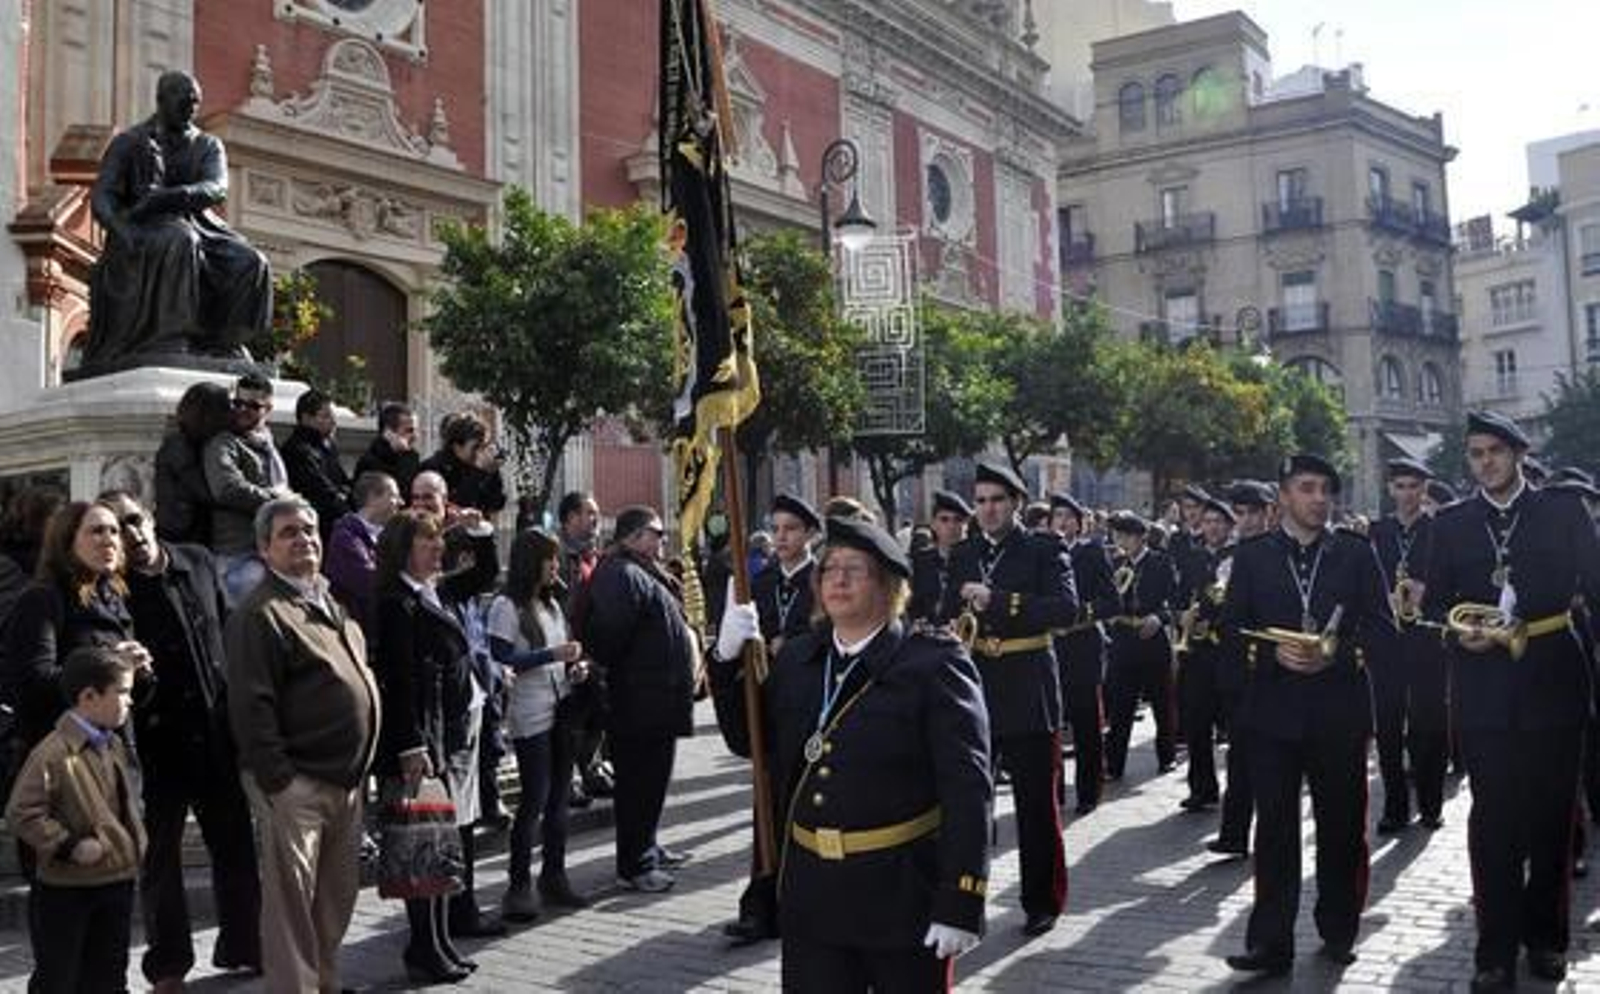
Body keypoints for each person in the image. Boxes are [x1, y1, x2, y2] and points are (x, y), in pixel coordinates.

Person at [710, 515, 992, 991]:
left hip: (900, 896)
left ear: (888, 586)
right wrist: (723, 659)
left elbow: (967, 788)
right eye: (828, 569)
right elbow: (750, 742)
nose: (837, 579)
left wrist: (961, 900)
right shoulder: (800, 658)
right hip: (813, 896)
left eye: (854, 569)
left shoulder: (933, 664)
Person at [1423, 411, 1600, 991]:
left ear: (1519, 453)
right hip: (1484, 688)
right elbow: (1433, 611)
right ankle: (1493, 950)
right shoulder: (1449, 524)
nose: (1485, 463)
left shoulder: (1563, 510)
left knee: (1552, 817)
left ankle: (1545, 939)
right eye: (1475, 454)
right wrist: (1459, 635)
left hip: (1554, 674)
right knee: (1492, 821)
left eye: (1495, 451)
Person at [1222, 454, 1391, 977]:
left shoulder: (1356, 554)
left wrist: (1333, 654)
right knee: (1274, 829)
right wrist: (1271, 654)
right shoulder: (1252, 556)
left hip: (1337, 711)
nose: (1319, 498)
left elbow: (1383, 630)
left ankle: (1339, 929)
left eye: (1326, 490)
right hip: (1272, 714)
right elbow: (1232, 632)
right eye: (1307, 488)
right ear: (1284, 496)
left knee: (1341, 826)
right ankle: (1269, 943)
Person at [100, 490, 262, 989]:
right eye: (118, 529)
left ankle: (245, 944)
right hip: (158, 743)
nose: (130, 534)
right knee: (161, 860)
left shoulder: (198, 559)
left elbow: (228, 630)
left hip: (215, 732)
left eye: (133, 520)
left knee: (235, 846)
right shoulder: (114, 591)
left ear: (149, 515)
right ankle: (168, 965)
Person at [226, 496, 380, 994]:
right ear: (264, 548)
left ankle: (325, 982)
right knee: (292, 907)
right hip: (298, 784)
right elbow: (252, 707)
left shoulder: (328, 602)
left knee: (335, 898)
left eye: (310, 530)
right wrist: (281, 782)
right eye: (289, 532)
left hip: (346, 780)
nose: (304, 539)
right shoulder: (260, 613)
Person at [944, 462, 1076, 936]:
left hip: (1028, 687)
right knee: (968, 805)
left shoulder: (1043, 549)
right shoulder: (963, 552)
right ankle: (965, 901)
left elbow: (1064, 610)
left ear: (1016, 503)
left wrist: (998, 600)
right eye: (980, 501)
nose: (987, 509)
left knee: (1036, 805)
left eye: (997, 500)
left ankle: (1041, 900)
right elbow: (945, 611)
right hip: (973, 688)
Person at [84, 70, 270, 368]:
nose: (191, 110)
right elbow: (102, 196)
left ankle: (225, 341)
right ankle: (169, 337)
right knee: (180, 240)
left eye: (195, 103)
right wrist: (121, 230)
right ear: (161, 100)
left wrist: (172, 196)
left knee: (251, 261)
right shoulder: (130, 142)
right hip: (143, 227)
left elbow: (216, 187)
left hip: (202, 224)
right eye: (184, 103)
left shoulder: (207, 145)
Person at [372, 510, 487, 982]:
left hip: (442, 734)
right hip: (416, 744)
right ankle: (422, 945)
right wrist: (411, 745)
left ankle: (439, 941)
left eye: (439, 541)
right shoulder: (397, 601)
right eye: (428, 542)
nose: (438, 550)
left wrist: (471, 530)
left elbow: (481, 570)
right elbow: (400, 679)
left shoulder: (429, 591)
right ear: (404, 548)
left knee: (439, 846)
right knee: (420, 851)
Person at [6, 646, 146, 993]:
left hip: (116, 878)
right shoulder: (52, 753)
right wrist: (68, 845)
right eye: (123, 692)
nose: (130, 701)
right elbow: (21, 813)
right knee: (59, 975)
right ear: (88, 696)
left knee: (109, 973)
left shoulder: (113, 745)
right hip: (67, 890)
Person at [723, 493, 823, 945]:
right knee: (766, 803)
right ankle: (760, 902)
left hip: (812, 709)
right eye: (777, 529)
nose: (782, 538)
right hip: (768, 708)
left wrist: (792, 643)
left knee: (802, 803)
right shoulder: (757, 584)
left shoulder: (823, 579)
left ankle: (801, 900)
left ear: (810, 535)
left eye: (792, 530)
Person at [583, 506, 698, 892]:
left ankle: (647, 846)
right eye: (656, 533)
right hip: (637, 701)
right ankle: (635, 865)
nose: (663, 539)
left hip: (656, 700)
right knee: (638, 784)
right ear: (632, 536)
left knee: (653, 781)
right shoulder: (619, 574)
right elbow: (611, 635)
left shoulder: (641, 571)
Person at [489, 529, 589, 922]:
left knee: (559, 798)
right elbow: (500, 658)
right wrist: (551, 655)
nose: (555, 565)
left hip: (560, 705)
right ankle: (518, 885)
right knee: (534, 798)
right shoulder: (506, 606)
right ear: (532, 561)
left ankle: (555, 875)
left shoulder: (551, 606)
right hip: (529, 714)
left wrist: (574, 668)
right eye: (549, 558)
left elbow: (561, 659)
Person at [3, 502, 153, 760]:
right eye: (96, 531)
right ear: (67, 542)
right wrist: (111, 665)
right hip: (68, 761)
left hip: (117, 755)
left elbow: (125, 700)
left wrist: (141, 674)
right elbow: (32, 684)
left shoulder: (115, 600)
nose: (109, 541)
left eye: (114, 531)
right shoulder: (42, 599)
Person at [1368, 458, 1449, 834]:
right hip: (1386, 641)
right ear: (1390, 490)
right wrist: (1381, 598)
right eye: (1399, 486)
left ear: (1424, 490)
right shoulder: (1377, 531)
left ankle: (1431, 805)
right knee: (1386, 728)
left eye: (1413, 487)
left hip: (1427, 639)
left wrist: (1426, 596)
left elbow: (1453, 586)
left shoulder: (1439, 530)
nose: (1406, 494)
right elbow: (1364, 583)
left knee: (1428, 725)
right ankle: (1395, 808)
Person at [1209, 480, 1274, 858]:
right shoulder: (1230, 556)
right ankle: (1233, 833)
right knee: (1239, 755)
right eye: (1241, 513)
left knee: (1271, 762)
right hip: (1237, 669)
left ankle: (1267, 835)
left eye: (1253, 512)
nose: (1246, 520)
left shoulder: (1277, 551)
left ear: (1269, 512)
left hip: (1271, 670)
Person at [1049, 492, 1118, 815]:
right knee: (1051, 726)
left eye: (1068, 516)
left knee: (1086, 723)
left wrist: (1077, 616)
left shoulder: (1092, 553)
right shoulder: (1042, 552)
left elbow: (1110, 601)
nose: (1062, 522)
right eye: (1057, 516)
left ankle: (1089, 791)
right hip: (1050, 649)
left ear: (1080, 522)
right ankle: (1055, 791)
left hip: (1083, 645)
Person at [1101, 511, 1179, 781]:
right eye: (1118, 535)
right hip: (1124, 639)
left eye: (1127, 536)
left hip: (1153, 639)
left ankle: (1167, 757)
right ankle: (1114, 764)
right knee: (1121, 706)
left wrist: (1159, 617)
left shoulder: (1160, 562)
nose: (1122, 541)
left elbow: (1174, 599)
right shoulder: (1115, 563)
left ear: (1141, 537)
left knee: (1162, 703)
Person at [204, 372, 288, 607]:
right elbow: (227, 488)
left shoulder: (268, 444)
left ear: (268, 409)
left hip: (269, 551)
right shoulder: (224, 443)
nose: (242, 410)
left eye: (252, 405)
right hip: (237, 554)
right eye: (238, 403)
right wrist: (278, 500)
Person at [1174, 496, 1236, 812]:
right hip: (1196, 652)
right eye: (1208, 522)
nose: (1212, 527)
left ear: (1229, 526)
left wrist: (1211, 617)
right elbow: (1179, 596)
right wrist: (1180, 617)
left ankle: (1238, 793)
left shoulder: (1239, 557)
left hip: (1226, 651)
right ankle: (1202, 788)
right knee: (1196, 722)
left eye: (1218, 522)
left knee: (1235, 726)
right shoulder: (1192, 558)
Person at [556, 490, 611, 807]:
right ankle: (567, 781)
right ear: (569, 518)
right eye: (588, 513)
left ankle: (591, 771)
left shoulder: (595, 555)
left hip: (593, 648)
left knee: (596, 712)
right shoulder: (558, 553)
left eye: (596, 513)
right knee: (569, 717)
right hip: (566, 647)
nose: (594, 520)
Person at [324, 471, 401, 639]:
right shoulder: (345, 536)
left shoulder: (387, 534)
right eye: (394, 496)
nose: (400, 502)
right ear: (373, 497)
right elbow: (369, 581)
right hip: (357, 636)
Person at [154, 381, 231, 546]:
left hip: (192, 531)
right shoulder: (178, 445)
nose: (228, 417)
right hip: (179, 534)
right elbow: (203, 491)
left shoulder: (197, 443)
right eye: (223, 410)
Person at [281, 389, 352, 542]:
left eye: (333, 417)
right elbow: (321, 490)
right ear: (306, 418)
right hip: (315, 526)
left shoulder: (326, 446)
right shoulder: (298, 450)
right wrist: (348, 511)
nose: (333, 423)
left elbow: (342, 480)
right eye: (325, 416)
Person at [419, 412, 507, 515]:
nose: (480, 453)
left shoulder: (481, 466)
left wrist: (493, 472)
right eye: (475, 447)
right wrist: (478, 473)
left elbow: (495, 504)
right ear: (457, 446)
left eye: (484, 446)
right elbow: (456, 506)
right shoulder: (433, 468)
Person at [909, 490, 972, 628]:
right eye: (944, 519)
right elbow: (913, 604)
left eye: (958, 519)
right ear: (933, 524)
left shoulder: (977, 560)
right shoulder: (920, 560)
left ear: (966, 525)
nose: (951, 526)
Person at [354, 402, 421, 498]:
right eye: (409, 431)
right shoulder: (369, 462)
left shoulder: (411, 456)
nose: (415, 436)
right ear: (389, 433)